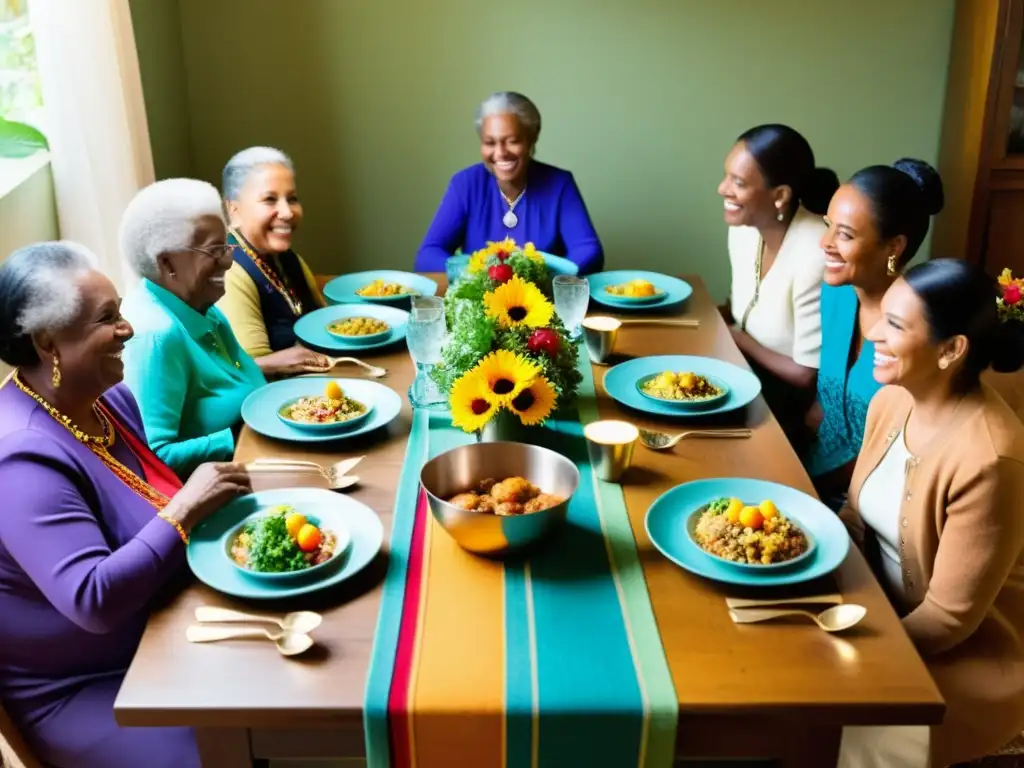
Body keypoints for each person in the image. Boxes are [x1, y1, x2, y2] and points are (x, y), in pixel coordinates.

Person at [0, 241, 252, 768]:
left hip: (168, 628)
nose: (129, 329)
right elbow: (93, 598)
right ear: (49, 343)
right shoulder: (20, 458)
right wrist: (187, 508)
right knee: (238, 740)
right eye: (107, 318)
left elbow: (144, 503)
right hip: (93, 686)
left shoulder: (109, 400)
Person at [837, 259, 1024, 767]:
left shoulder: (990, 457)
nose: (873, 330)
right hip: (877, 610)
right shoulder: (892, 400)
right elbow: (857, 517)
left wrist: (852, 646)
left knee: (848, 726)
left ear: (951, 350)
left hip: (964, 652)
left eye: (896, 324)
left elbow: (949, 619)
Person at [119, 178, 283, 479]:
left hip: (261, 460)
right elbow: (153, 458)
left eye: (227, 245)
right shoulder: (156, 336)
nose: (230, 261)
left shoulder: (198, 303)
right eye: (215, 250)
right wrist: (241, 436)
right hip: (224, 493)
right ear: (167, 263)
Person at [806, 159, 944, 509]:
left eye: (845, 234)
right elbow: (823, 409)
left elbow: (892, 453)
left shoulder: (919, 330)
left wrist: (799, 483)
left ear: (894, 247)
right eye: (827, 226)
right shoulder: (835, 293)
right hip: (811, 473)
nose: (825, 243)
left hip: (867, 503)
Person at [719, 124, 838, 449]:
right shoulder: (742, 229)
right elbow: (741, 309)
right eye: (726, 176)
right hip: (742, 369)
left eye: (738, 183)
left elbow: (804, 373)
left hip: (788, 406)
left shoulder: (818, 250)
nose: (722, 189)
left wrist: (736, 337)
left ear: (781, 195)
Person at [415, 91, 604, 274]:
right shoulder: (464, 184)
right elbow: (428, 254)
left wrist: (540, 275)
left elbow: (588, 251)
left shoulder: (560, 184)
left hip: (543, 300)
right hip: (481, 300)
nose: (500, 153)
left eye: (512, 141)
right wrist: (480, 274)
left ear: (531, 139)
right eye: (490, 142)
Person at [217, 146, 334, 372]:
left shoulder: (289, 259)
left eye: (292, 199)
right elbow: (243, 369)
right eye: (270, 200)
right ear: (233, 209)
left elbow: (324, 322)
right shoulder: (228, 271)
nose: (288, 212)